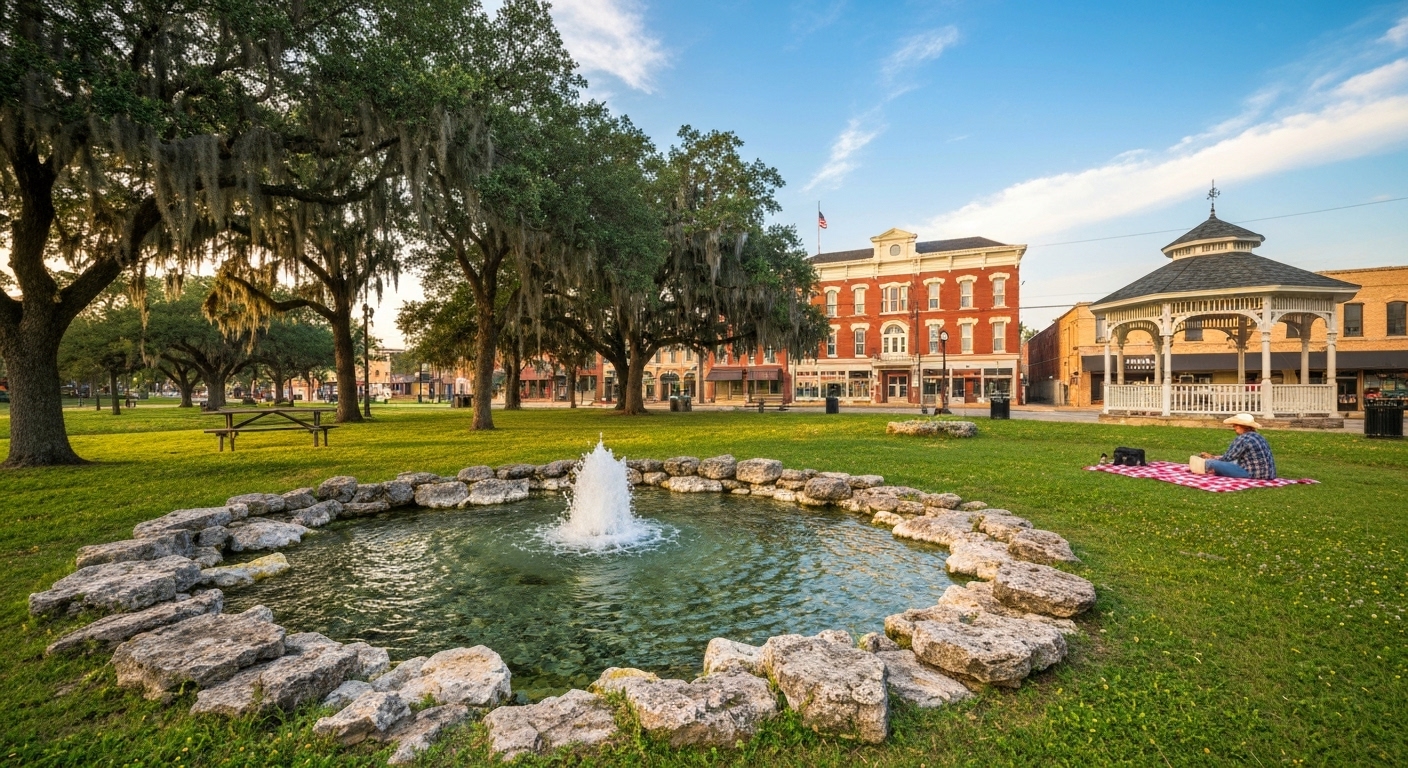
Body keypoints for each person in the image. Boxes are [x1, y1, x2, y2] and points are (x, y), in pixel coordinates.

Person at [1199, 413, 1276, 479]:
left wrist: (1212, 459)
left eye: (1235, 425)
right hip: (1268, 474)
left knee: (1212, 464)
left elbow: (1228, 458)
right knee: (1234, 462)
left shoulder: (1243, 438)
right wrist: (1214, 457)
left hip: (1252, 474)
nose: (1234, 427)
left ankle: (1203, 465)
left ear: (1242, 426)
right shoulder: (1258, 436)